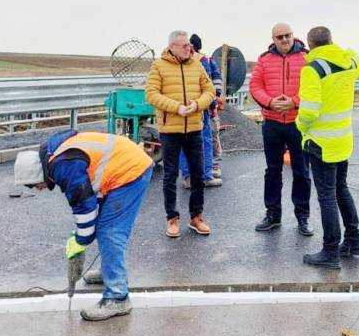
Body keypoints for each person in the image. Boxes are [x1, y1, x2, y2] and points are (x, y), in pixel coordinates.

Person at [13, 130, 153, 320]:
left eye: (34, 185)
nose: (38, 189)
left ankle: (118, 297)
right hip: (125, 162)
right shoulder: (55, 153)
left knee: (111, 233)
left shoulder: (63, 166)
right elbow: (86, 202)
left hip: (129, 172)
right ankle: (109, 272)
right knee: (104, 226)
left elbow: (84, 206)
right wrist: (81, 234)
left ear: (38, 174)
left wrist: (80, 240)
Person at [296, 26, 359, 269]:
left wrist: (300, 127)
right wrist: (340, 49)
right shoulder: (349, 63)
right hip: (343, 141)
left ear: (310, 45)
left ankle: (330, 251)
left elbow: (309, 111)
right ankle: (354, 243)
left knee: (327, 197)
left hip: (322, 143)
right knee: (341, 190)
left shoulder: (312, 70)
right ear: (331, 41)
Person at [145, 30, 216, 238]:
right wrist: (176, 107)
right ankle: (172, 219)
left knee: (197, 174)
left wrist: (197, 104)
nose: (189, 48)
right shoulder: (159, 65)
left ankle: (196, 217)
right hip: (170, 130)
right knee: (170, 175)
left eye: (189, 45)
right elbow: (151, 94)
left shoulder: (196, 63)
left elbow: (209, 91)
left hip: (194, 128)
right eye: (184, 45)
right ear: (172, 47)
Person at [249, 22, 313, 236]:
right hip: (272, 123)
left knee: (302, 171)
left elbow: (314, 89)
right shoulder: (264, 60)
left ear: (293, 36)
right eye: (280, 37)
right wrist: (269, 102)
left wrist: (294, 101)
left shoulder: (307, 58)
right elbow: (255, 86)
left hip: (298, 123)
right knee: (273, 170)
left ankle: (303, 217)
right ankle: (273, 215)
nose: (284, 40)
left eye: (288, 35)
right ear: (273, 39)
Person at [179, 33, 224, 189]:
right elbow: (213, 83)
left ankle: (189, 177)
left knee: (186, 143)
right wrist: (213, 101)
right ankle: (205, 175)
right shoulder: (204, 60)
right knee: (205, 141)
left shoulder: (182, 60)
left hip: (183, 109)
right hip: (201, 108)